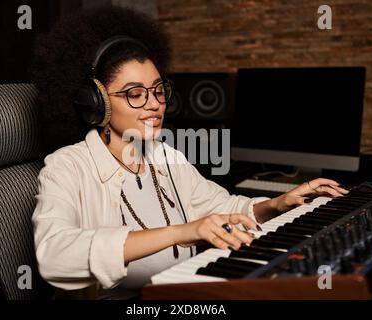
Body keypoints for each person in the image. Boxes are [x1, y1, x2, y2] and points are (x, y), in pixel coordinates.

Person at [30, 6, 348, 299]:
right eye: (135, 94)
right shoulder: (66, 167)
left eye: (157, 90)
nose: (154, 103)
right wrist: (181, 232)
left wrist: (278, 203)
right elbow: (55, 256)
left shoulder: (166, 158)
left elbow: (224, 207)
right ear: (95, 104)